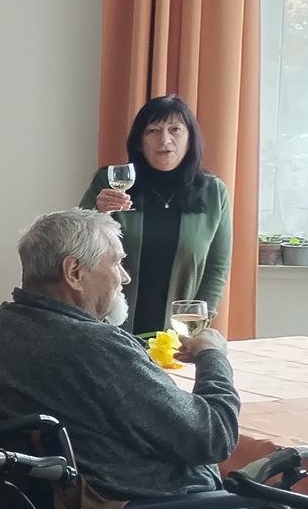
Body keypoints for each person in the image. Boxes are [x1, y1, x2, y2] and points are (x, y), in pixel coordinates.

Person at [0, 209, 239, 503]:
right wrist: (212, 356)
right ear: (74, 272)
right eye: (117, 262)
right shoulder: (95, 349)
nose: (125, 277)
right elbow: (213, 435)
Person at [81, 94, 232, 334]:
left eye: (175, 129)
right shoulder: (110, 184)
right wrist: (97, 213)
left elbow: (218, 266)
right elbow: (75, 245)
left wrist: (199, 320)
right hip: (109, 325)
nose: (165, 140)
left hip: (179, 329)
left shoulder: (213, 192)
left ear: (190, 138)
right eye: (153, 131)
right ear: (139, 141)